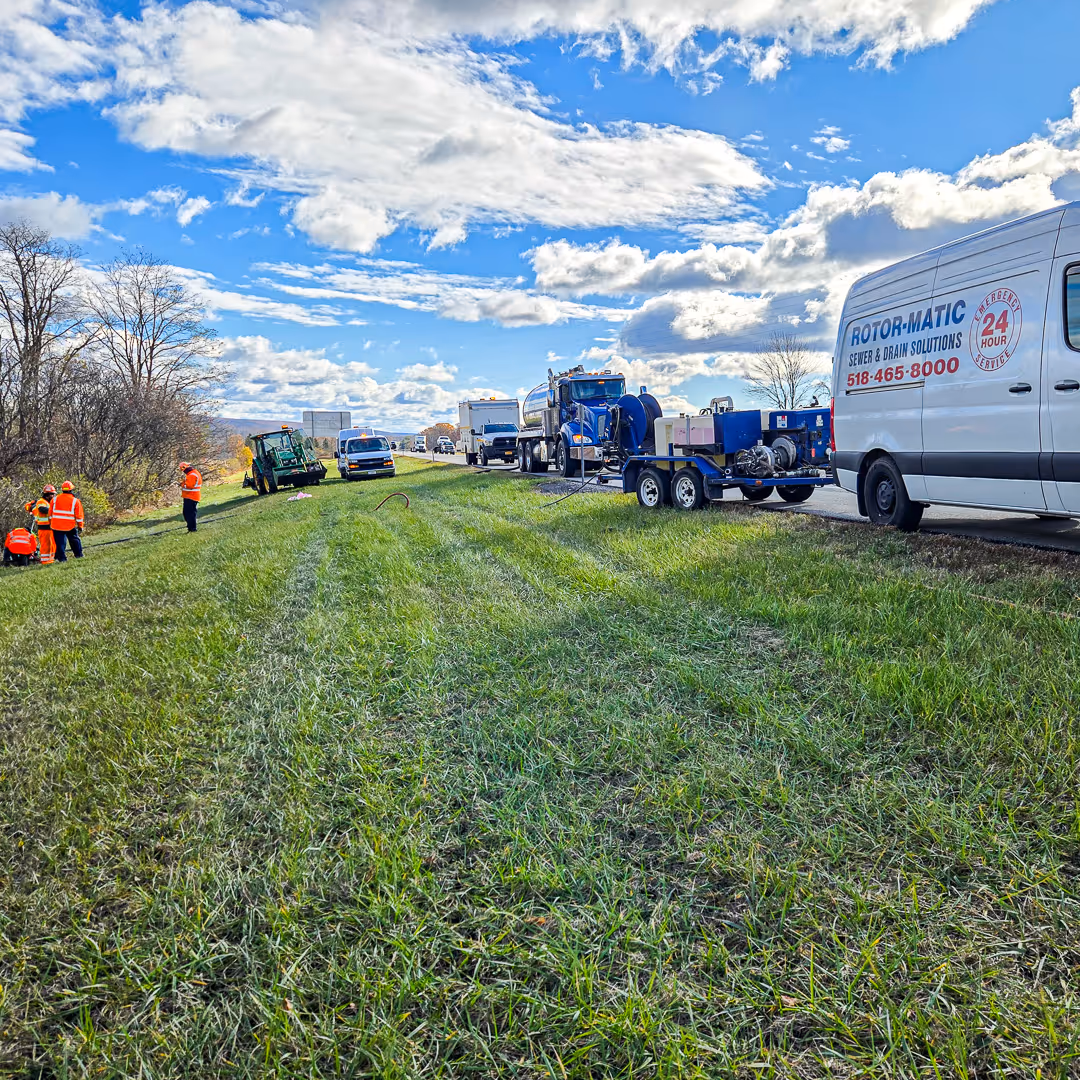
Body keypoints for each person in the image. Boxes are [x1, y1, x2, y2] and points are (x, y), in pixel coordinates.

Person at [50, 480, 85, 561]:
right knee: (74, 540)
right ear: (71, 490)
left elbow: (50, 514)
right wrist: (80, 526)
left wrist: (51, 524)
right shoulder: (75, 501)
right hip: (70, 525)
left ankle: (62, 559)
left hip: (56, 526)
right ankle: (79, 555)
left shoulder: (54, 500)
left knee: (60, 543)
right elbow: (79, 516)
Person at [25, 485, 56, 565]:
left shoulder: (48, 502)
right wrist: (54, 511)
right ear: (48, 494)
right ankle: (45, 561)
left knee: (51, 545)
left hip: (50, 528)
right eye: (52, 494)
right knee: (45, 546)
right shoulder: (41, 502)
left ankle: (51, 560)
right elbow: (42, 509)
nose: (53, 496)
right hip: (44, 528)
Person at [179, 461, 202, 531]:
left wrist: (182, 484)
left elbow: (189, 486)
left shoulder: (192, 475)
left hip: (191, 497)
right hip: (190, 497)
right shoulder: (192, 474)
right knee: (187, 513)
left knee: (190, 514)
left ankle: (192, 529)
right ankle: (190, 527)